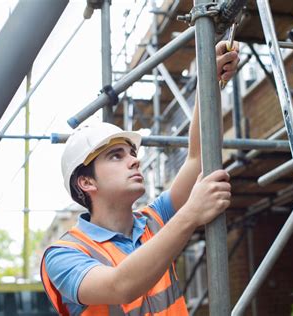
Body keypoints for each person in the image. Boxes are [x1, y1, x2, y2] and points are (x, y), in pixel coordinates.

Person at [40, 40, 239, 316]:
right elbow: (119, 286)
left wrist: (210, 82)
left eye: (131, 153)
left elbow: (198, 158)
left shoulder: (153, 220)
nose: (135, 160)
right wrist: (190, 214)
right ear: (86, 182)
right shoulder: (64, 254)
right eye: (116, 156)